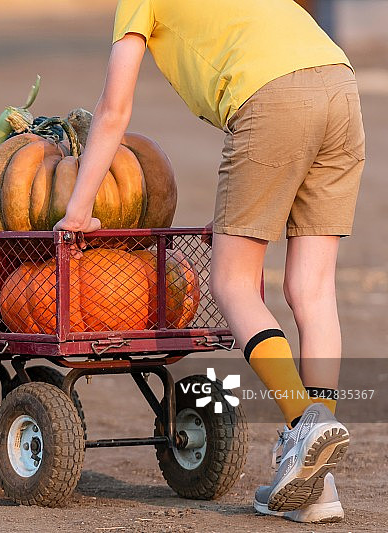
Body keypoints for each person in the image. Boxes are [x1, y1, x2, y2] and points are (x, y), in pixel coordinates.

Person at [54, 0, 363, 524]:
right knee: (313, 289)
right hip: (339, 84)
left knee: (232, 284)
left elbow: (113, 110)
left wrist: (78, 210)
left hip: (272, 98)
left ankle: (302, 425)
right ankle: (317, 482)